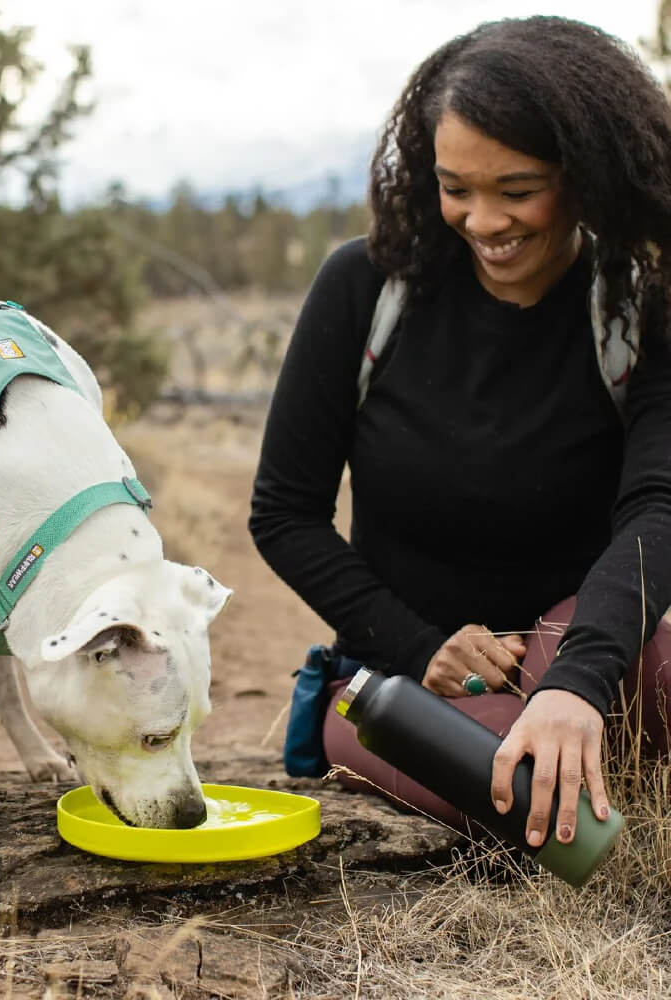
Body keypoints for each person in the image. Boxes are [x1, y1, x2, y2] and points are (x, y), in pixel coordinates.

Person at [249, 16, 671, 852]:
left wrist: (578, 683)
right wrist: (420, 643)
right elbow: (284, 513)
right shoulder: (364, 286)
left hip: (580, 641)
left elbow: (658, 506)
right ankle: (579, 775)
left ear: (585, 174)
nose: (483, 221)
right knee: (510, 793)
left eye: (518, 191)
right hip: (406, 677)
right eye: (456, 187)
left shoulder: (637, 303)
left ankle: (582, 740)